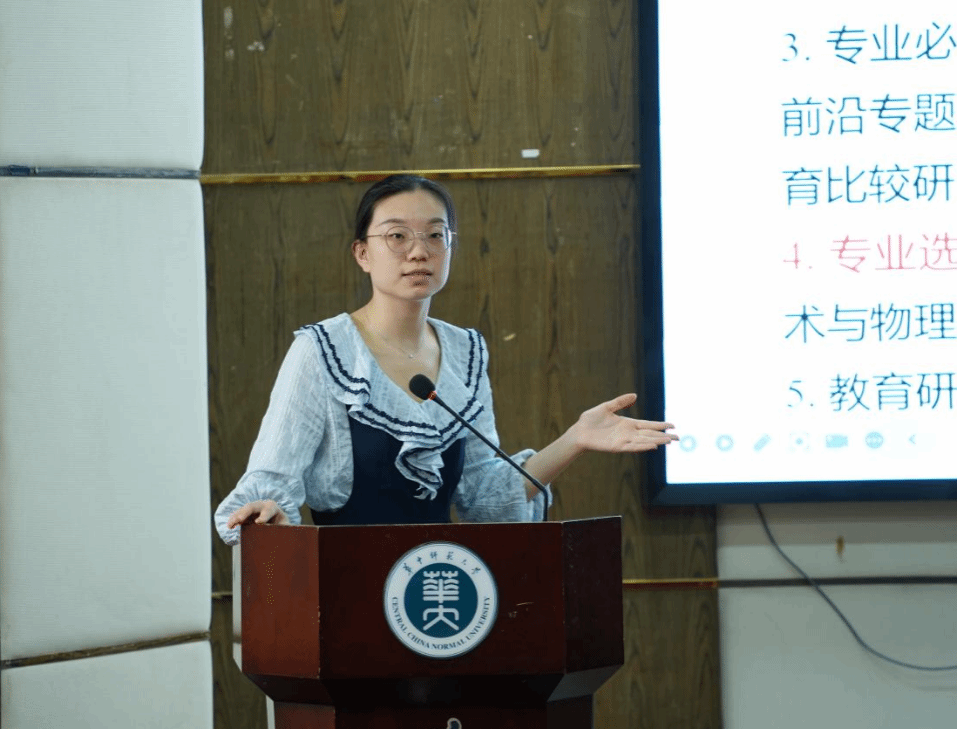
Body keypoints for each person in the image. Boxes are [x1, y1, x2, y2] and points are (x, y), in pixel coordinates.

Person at [214, 175, 677, 544]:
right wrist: (267, 514)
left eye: (435, 235)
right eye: (397, 236)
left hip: (441, 586)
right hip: (345, 587)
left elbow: (485, 499)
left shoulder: (464, 352)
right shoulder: (324, 350)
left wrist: (574, 440)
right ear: (363, 254)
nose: (419, 251)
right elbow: (271, 482)